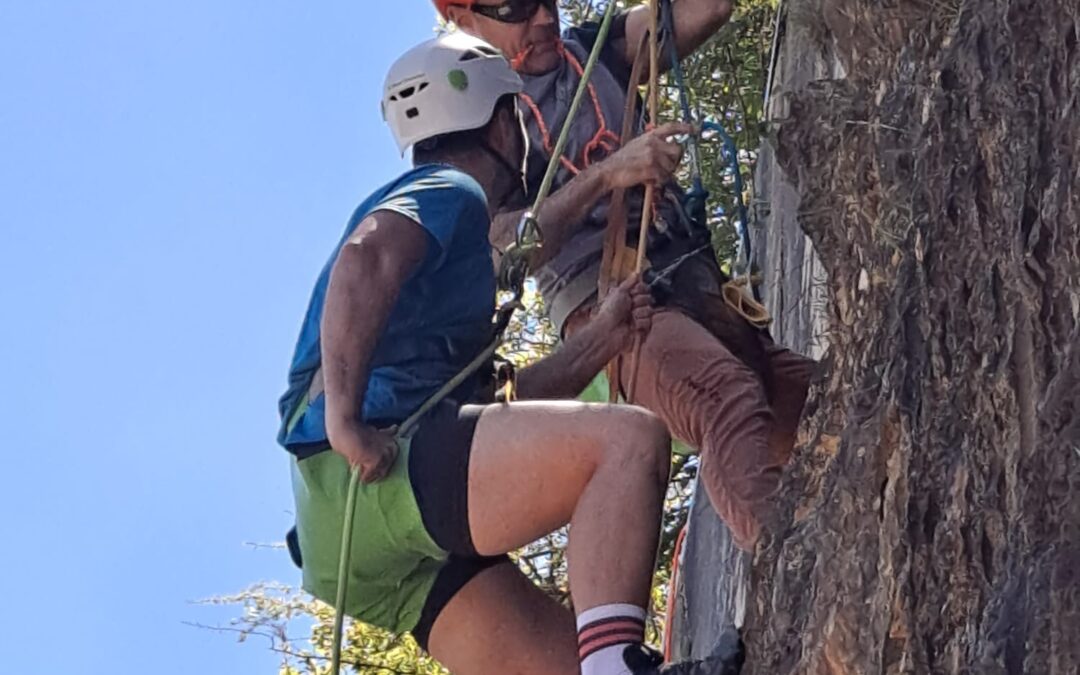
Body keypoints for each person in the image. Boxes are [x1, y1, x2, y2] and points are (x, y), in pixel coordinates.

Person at [278, 33, 742, 675]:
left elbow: (504, 403)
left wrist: (602, 338)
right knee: (628, 442)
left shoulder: (447, 290)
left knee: (571, 664)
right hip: (372, 466)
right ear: (501, 122)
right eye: (521, 117)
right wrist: (346, 424)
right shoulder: (449, 191)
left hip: (347, 539)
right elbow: (365, 258)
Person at [438, 0, 816, 550]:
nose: (543, 19)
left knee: (827, 405)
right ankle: (788, 566)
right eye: (515, 7)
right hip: (613, 304)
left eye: (547, 0)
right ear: (464, 18)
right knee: (724, 396)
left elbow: (709, 9)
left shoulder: (597, 53)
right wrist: (608, 175)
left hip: (691, 278)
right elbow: (503, 254)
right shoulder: (480, 121)